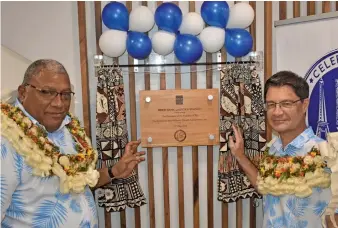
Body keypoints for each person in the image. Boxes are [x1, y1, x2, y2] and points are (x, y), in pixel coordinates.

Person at [0, 59, 145, 227]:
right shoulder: (6, 141)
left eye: (66, 95)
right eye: (47, 92)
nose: (59, 103)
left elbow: (77, 182)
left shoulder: (70, 129)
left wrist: (113, 172)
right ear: (23, 92)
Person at [228, 71, 338, 228]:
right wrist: (240, 156)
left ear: (304, 105)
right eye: (271, 104)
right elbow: (265, 186)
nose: (277, 112)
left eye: (286, 104)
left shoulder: (326, 153)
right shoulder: (272, 149)